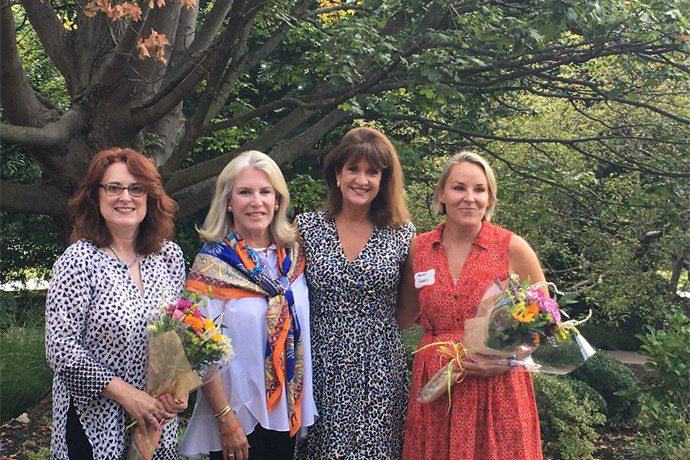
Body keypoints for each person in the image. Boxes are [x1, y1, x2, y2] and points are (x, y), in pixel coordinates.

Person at [397, 151, 544, 459]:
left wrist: (507, 360)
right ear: (441, 194)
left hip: (496, 387)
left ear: (490, 198)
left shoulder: (512, 247)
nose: (469, 198)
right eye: (458, 187)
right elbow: (404, 315)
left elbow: (543, 323)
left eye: (479, 189)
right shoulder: (419, 248)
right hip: (436, 385)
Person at [45, 147, 188, 460]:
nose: (126, 197)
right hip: (93, 419)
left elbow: (177, 333)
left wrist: (178, 387)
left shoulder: (169, 257)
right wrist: (127, 395)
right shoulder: (79, 260)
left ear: (150, 197)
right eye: (114, 187)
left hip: (154, 420)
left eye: (136, 188)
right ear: (96, 196)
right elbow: (60, 348)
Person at [180, 150, 317, 460]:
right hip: (236, 415)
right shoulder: (211, 266)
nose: (257, 201)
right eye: (245, 192)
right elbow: (200, 350)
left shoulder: (294, 259)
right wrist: (225, 418)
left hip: (284, 410)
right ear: (229, 201)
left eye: (265, 192)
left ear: (278, 200)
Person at [296, 127, 415, 459]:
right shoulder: (307, 228)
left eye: (372, 172)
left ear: (383, 180)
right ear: (337, 173)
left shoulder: (401, 234)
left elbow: (409, 309)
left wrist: (372, 336)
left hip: (379, 366)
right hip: (321, 364)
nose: (361, 180)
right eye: (353, 169)